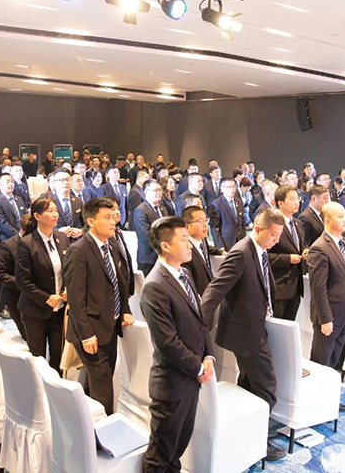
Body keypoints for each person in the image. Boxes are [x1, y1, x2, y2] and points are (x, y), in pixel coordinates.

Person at [201, 208, 287, 462]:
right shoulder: (240, 252)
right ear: (258, 229)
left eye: (279, 235)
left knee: (250, 383)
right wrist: (199, 323)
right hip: (245, 332)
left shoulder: (260, 250)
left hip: (255, 327)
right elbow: (215, 290)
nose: (277, 241)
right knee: (267, 386)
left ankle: (246, 431)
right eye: (273, 235)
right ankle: (259, 440)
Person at [140, 216, 215, 472]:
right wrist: (198, 367)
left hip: (190, 378)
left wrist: (209, 356)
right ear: (166, 246)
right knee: (160, 455)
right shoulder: (155, 286)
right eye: (183, 239)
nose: (190, 244)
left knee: (177, 449)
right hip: (171, 384)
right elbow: (167, 342)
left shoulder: (185, 273)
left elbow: (200, 320)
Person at [64, 197, 134, 415]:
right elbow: (76, 298)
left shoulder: (110, 245)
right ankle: (104, 428)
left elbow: (120, 282)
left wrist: (125, 310)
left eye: (114, 216)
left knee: (100, 377)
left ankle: (86, 419)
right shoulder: (79, 250)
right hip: (91, 330)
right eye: (107, 217)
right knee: (103, 385)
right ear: (91, 221)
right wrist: (86, 334)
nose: (113, 221)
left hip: (109, 326)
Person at [308, 201, 345, 413]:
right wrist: (325, 319)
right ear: (327, 220)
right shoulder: (319, 248)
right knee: (322, 359)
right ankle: (314, 400)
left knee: (336, 357)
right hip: (328, 316)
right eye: (341, 216)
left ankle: (328, 396)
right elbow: (318, 289)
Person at [16, 197, 68, 370]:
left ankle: (56, 386)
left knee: (58, 356)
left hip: (59, 309)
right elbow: (23, 280)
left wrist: (67, 289)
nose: (55, 214)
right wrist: (46, 298)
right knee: (38, 358)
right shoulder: (27, 243)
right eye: (49, 211)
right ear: (37, 216)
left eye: (55, 210)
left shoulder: (61, 237)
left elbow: (68, 270)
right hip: (35, 310)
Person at [268, 185, 308, 321]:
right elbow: (264, 255)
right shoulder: (272, 223)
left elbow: (301, 244)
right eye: (292, 199)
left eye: (297, 199)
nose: (297, 202)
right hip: (279, 285)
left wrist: (306, 249)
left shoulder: (297, 223)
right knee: (276, 326)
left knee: (289, 325)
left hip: (295, 285)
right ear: (280, 203)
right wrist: (288, 259)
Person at [0, 216, 28, 340]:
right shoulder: (8, 245)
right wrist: (24, 284)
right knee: (29, 337)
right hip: (15, 297)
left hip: (38, 298)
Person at [181, 205, 224, 295]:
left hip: (210, 289)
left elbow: (207, 248)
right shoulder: (185, 249)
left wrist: (221, 252)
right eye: (200, 221)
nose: (205, 225)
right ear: (187, 227)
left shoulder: (202, 239)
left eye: (205, 220)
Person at [133, 179, 164, 277]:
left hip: (163, 256)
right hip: (148, 258)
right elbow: (145, 235)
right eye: (155, 190)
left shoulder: (163, 209)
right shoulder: (141, 210)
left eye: (160, 190)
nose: (159, 193)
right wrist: (163, 246)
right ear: (146, 192)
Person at [208, 177, 246, 251]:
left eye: (233, 186)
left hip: (240, 241)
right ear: (221, 189)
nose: (232, 189)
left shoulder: (239, 202)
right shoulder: (216, 204)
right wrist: (220, 247)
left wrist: (244, 240)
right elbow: (215, 228)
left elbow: (242, 223)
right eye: (229, 187)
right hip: (226, 243)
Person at [49, 169, 84, 245]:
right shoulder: (49, 202)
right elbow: (42, 226)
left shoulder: (78, 201)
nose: (66, 183)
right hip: (57, 243)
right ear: (54, 183)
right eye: (62, 180)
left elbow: (87, 223)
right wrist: (58, 232)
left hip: (76, 243)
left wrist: (81, 231)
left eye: (68, 179)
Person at [0, 173, 27, 242]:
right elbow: (2, 224)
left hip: (24, 235)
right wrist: (19, 235)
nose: (11, 184)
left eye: (12, 182)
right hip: (8, 238)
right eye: (7, 182)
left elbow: (25, 216)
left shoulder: (19, 199)